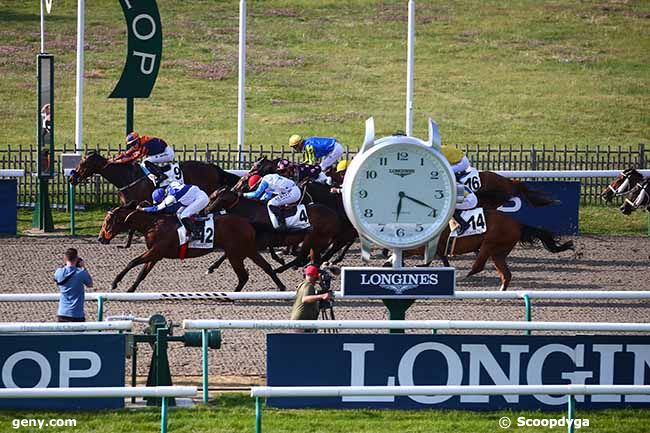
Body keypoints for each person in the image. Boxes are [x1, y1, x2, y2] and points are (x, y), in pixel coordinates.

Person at [139, 181, 209, 241]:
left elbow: (157, 208)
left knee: (183, 215)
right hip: (196, 194)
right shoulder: (171, 184)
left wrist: (142, 209)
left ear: (163, 197)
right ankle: (193, 223)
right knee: (179, 213)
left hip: (201, 199)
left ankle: (197, 234)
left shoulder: (171, 198)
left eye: (160, 200)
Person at [244, 161, 301, 230]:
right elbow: (265, 197)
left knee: (271, 203)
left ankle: (282, 225)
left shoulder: (266, 179)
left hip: (293, 192)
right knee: (273, 203)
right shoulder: (270, 181)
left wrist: (242, 194)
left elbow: (256, 194)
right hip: (293, 190)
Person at [110, 132, 175, 185]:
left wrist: (117, 162)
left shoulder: (145, 145)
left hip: (167, 153)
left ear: (137, 140)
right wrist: (115, 159)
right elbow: (125, 153)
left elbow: (132, 158)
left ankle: (162, 175)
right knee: (145, 163)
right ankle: (156, 175)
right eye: (131, 144)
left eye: (134, 143)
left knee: (145, 162)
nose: (133, 146)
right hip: (161, 152)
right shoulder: (139, 143)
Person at [54, 248, 93, 322]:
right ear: (77, 259)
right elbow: (90, 284)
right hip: (77, 314)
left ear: (65, 258)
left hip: (63, 313)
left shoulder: (59, 272)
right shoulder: (81, 273)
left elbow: (56, 281)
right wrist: (84, 267)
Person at [290, 265, 333, 331]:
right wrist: (322, 296)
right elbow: (305, 299)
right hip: (301, 320)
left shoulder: (303, 284)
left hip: (299, 319)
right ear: (315, 276)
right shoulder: (308, 285)